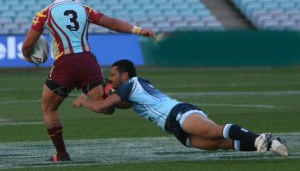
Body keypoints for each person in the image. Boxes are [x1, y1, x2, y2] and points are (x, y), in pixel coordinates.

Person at [22, 0, 155, 162]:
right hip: (87, 62)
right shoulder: (84, 9)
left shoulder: (45, 13)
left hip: (64, 64)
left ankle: (62, 154)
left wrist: (28, 55)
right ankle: (119, 94)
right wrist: (139, 30)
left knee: (49, 109)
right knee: (105, 107)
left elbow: (28, 44)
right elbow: (111, 23)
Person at [73, 59, 288, 157]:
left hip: (178, 113)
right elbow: (119, 104)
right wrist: (105, 88)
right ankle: (271, 145)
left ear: (125, 75)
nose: (111, 78)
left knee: (215, 132)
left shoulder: (131, 84)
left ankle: (261, 138)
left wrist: (86, 100)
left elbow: (104, 108)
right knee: (219, 145)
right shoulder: (129, 89)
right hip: (175, 129)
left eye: (113, 75)